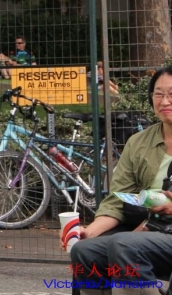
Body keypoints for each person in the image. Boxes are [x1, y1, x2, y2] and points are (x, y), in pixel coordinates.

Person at [68, 65, 172, 295]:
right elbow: (118, 199)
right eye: (158, 94)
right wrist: (89, 231)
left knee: (124, 244)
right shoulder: (139, 142)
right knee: (85, 251)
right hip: (150, 229)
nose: (165, 101)